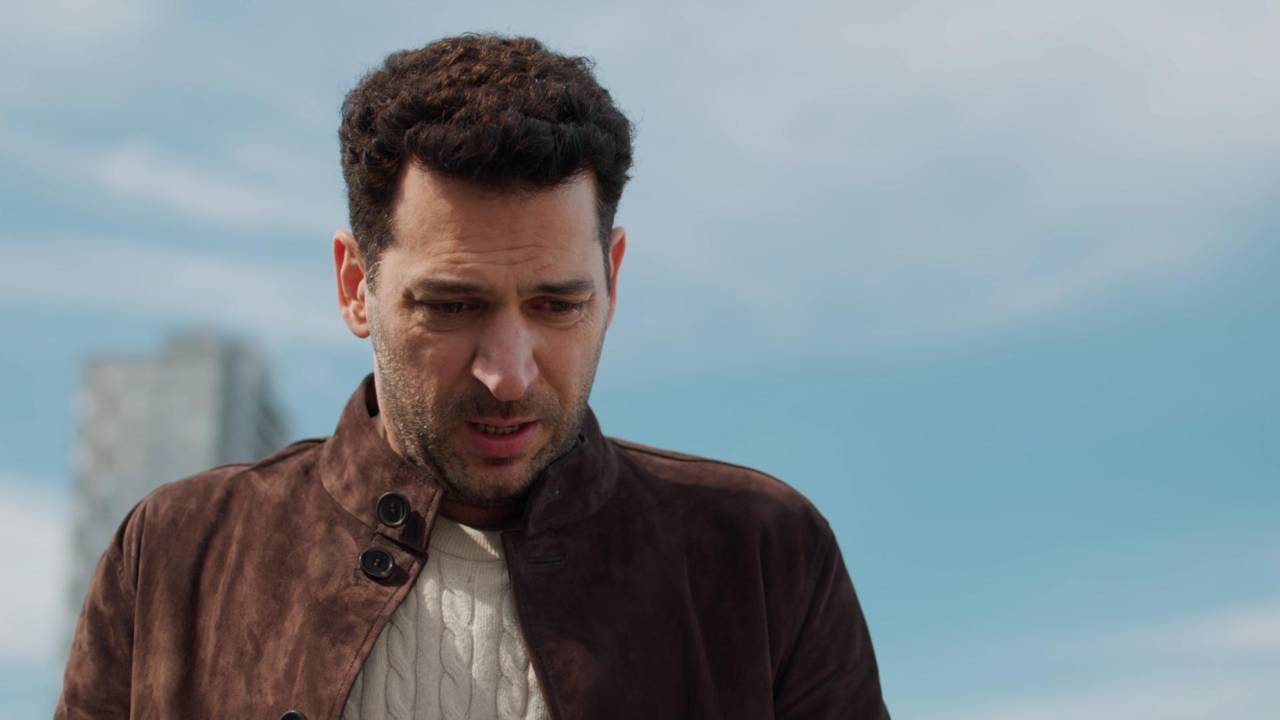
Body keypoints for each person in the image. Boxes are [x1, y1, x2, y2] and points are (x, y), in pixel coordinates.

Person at [56, 34, 889, 719]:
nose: (508, 374)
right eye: (452, 306)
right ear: (354, 286)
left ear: (613, 280)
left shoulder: (764, 558)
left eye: (557, 306)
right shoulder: (176, 556)